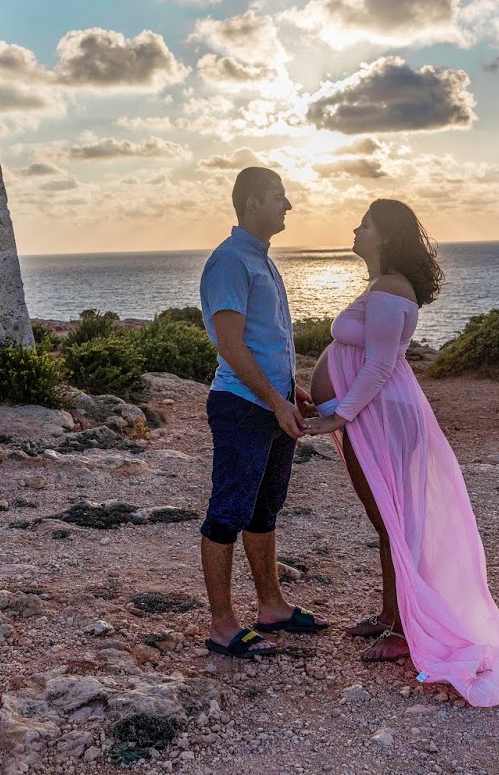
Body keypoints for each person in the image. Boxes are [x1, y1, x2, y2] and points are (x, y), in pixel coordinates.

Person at [303, 199, 499, 707]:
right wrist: (330, 403)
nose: (356, 230)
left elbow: (379, 365)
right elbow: (364, 359)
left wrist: (339, 414)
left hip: (380, 417)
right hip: (371, 415)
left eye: (365, 224)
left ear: (385, 236)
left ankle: (405, 630)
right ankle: (390, 616)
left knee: (395, 523)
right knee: (388, 522)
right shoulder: (382, 287)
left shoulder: (390, 288)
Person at [196, 167, 328, 658]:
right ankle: (222, 626)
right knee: (227, 514)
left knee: (264, 511)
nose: (287, 205)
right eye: (278, 197)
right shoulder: (230, 261)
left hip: (271, 407)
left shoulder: (258, 259)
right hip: (243, 408)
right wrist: (275, 402)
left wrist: (288, 390)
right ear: (252, 203)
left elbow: (263, 340)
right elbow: (229, 345)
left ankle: (271, 606)